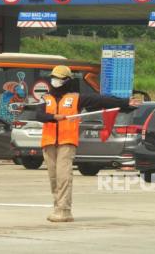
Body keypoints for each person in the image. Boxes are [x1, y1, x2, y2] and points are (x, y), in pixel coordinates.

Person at [36, 65, 138, 222]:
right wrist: (54, 117)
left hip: (66, 142)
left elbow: (102, 100)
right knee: (53, 178)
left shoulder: (76, 98)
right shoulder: (46, 99)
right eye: (54, 78)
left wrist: (125, 102)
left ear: (67, 81)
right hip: (48, 142)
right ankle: (57, 207)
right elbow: (40, 115)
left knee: (63, 176)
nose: (55, 81)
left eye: (59, 79)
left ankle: (64, 211)